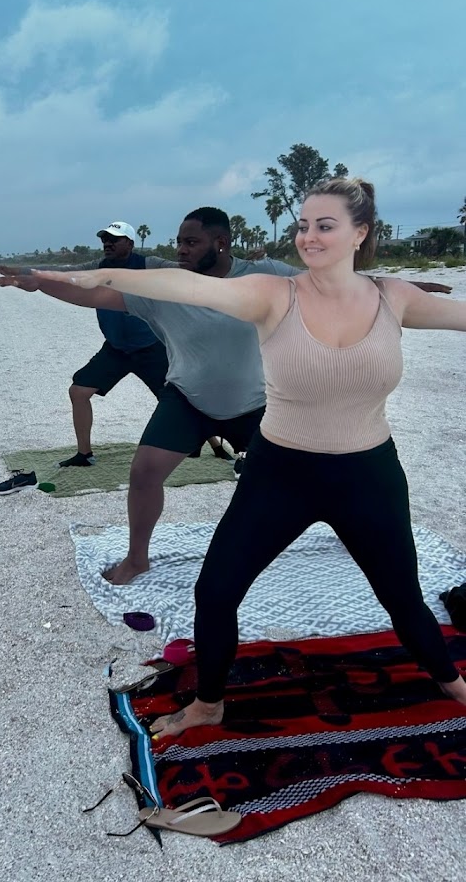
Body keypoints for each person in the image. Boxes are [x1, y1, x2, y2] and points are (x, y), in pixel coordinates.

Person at [36, 177, 466, 726]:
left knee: (403, 599)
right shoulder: (273, 292)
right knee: (215, 591)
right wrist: (90, 275)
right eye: (304, 226)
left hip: (369, 476)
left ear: (360, 233)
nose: (309, 237)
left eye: (325, 226)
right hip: (279, 472)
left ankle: (453, 684)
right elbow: (174, 285)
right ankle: (207, 705)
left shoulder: (392, 298)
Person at [0, 208, 303, 572]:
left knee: (308, 472)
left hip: (256, 402)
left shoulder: (265, 275)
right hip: (187, 400)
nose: (181, 250)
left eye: (191, 242)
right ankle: (136, 559)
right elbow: (96, 294)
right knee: (143, 473)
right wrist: (40, 282)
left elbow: (322, 286)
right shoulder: (164, 287)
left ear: (221, 243)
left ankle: (345, 526)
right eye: (179, 242)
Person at [0, 222, 173, 484]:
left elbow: (186, 270)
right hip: (116, 348)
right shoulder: (97, 268)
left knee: (179, 399)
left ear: (130, 243)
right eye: (105, 239)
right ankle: (84, 454)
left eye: (114, 239)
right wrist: (22, 272)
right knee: (78, 391)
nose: (107, 243)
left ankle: (214, 445)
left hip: (151, 347)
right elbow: (60, 273)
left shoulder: (147, 264)